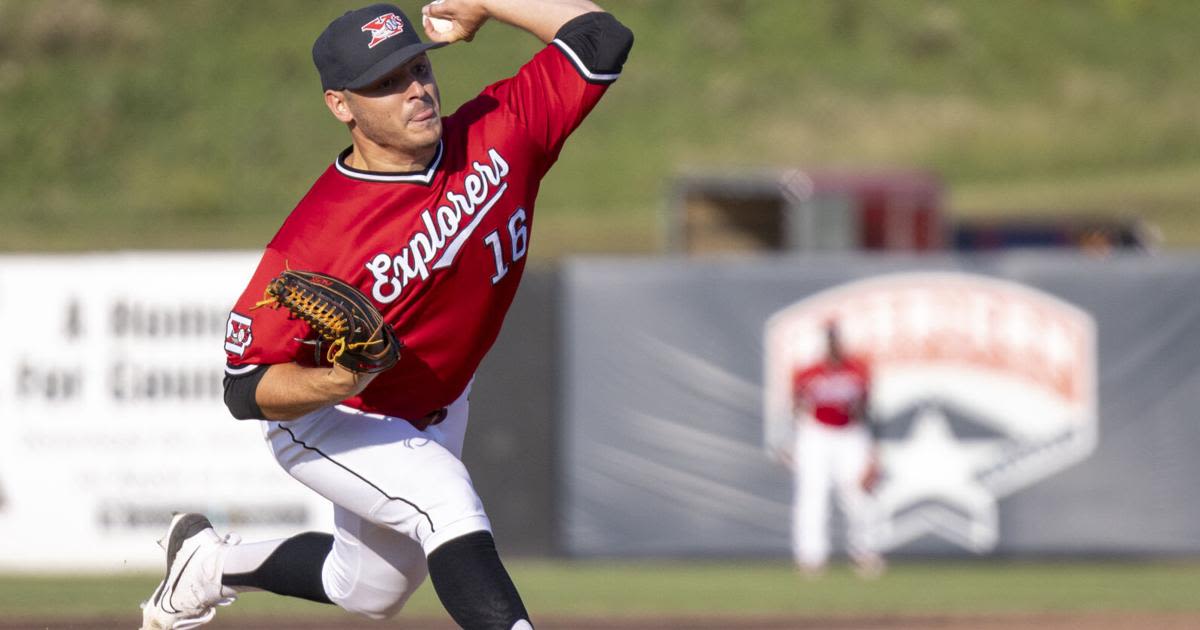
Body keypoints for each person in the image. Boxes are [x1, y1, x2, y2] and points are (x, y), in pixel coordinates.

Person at [139, 1, 632, 628]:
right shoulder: (313, 242)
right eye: (386, 83)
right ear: (342, 106)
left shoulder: (500, 131)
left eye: (418, 67)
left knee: (369, 590)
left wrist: (486, 2)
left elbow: (601, 36)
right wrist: (340, 380)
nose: (415, 90)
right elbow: (242, 388)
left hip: (437, 400)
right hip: (338, 414)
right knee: (446, 502)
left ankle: (205, 565)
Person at [789, 320, 885, 578]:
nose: (832, 344)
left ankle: (865, 552)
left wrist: (873, 450)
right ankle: (811, 557)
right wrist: (791, 441)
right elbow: (795, 408)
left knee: (859, 494)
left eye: (835, 338)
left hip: (851, 433)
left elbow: (868, 409)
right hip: (816, 433)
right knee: (812, 495)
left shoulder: (857, 369)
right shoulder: (807, 372)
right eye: (828, 339)